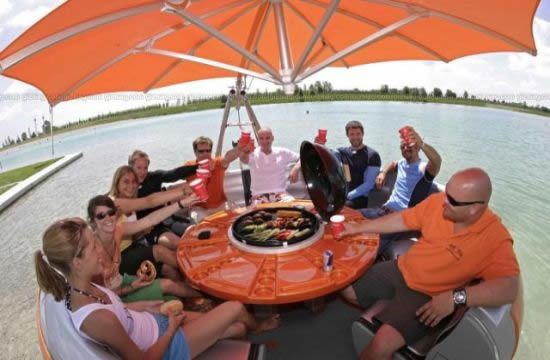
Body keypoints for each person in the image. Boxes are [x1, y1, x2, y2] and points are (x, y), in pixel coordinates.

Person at [34, 218, 281, 360]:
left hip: (156, 321)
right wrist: (172, 328)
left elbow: (120, 309)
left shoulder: (84, 286)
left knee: (236, 328)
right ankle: (259, 326)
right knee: (236, 309)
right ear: (76, 261)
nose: (101, 248)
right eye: (93, 246)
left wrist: (150, 306)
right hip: (166, 347)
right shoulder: (95, 318)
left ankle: (229, 333)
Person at [338, 168, 519, 360]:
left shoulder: (494, 238)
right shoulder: (438, 203)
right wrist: (357, 228)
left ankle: (395, 314)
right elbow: (401, 220)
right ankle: (389, 304)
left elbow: (509, 287)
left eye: (452, 201)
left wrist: (455, 298)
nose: (443, 202)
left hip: (427, 297)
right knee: (344, 287)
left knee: (377, 349)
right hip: (401, 269)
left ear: (475, 208)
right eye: (446, 193)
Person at [87, 195, 201, 302]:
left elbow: (150, 220)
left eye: (110, 213)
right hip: (116, 297)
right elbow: (99, 296)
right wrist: (130, 288)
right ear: (92, 222)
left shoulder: (118, 231)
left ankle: (203, 286)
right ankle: (208, 293)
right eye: (101, 216)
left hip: (124, 281)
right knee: (168, 285)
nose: (108, 218)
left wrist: (181, 203)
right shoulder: (92, 252)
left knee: (173, 298)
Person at [109, 166, 188, 280]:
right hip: (118, 259)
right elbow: (150, 201)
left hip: (132, 247)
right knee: (159, 251)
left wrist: (141, 232)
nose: (131, 186)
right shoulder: (114, 204)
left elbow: (132, 236)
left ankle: (190, 286)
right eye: (126, 182)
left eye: (134, 182)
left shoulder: (132, 202)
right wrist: (183, 191)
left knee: (167, 268)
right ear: (117, 183)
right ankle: (193, 271)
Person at [361, 126, 442, 219]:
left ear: (418, 148)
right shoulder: (401, 163)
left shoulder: (422, 168)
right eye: (402, 146)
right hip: (385, 210)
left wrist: (421, 144)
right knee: (352, 216)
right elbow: (392, 164)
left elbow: (437, 162)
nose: (405, 148)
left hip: (403, 218)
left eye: (409, 145)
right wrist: (383, 173)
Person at [129, 150, 197, 239]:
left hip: (167, 220)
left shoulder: (153, 177)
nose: (143, 172)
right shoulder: (128, 190)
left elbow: (174, 174)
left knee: (195, 230)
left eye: (145, 168)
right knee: (175, 242)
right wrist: (141, 230)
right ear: (130, 167)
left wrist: (198, 167)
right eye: (139, 168)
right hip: (151, 228)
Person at [184, 136, 245, 219]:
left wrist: (239, 149)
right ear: (195, 152)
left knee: (239, 218)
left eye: (208, 151)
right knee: (201, 226)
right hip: (199, 208)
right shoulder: (188, 167)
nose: (205, 154)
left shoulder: (217, 163)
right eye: (201, 151)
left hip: (221, 205)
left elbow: (228, 158)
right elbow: (172, 176)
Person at [240, 127, 301, 204]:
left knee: (293, 207)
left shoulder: (282, 152)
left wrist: (296, 168)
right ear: (258, 140)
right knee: (258, 214)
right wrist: (244, 149)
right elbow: (243, 158)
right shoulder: (252, 154)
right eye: (261, 138)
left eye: (267, 138)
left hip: (280, 194)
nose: (264, 141)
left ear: (272, 138)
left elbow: (303, 156)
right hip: (258, 196)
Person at [335, 121, 381, 209]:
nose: (355, 137)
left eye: (358, 134)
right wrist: (319, 143)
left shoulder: (372, 155)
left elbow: (369, 184)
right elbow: (326, 155)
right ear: (347, 135)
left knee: (339, 208)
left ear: (363, 134)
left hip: (359, 198)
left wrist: (347, 196)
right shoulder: (342, 152)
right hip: (343, 195)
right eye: (352, 134)